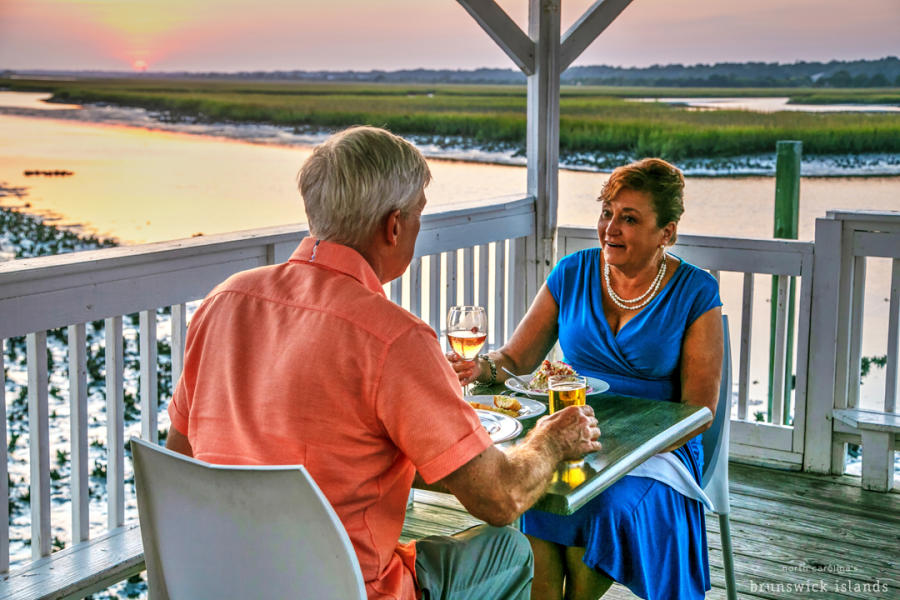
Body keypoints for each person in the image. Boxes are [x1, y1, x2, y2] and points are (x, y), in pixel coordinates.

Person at [165, 125, 601, 600]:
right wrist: (551, 440)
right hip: (343, 589)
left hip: (221, 581)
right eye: (418, 216)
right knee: (508, 550)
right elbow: (500, 497)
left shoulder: (223, 301)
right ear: (394, 227)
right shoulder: (394, 338)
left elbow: (179, 456)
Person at [451, 158, 723, 600]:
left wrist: (619, 447)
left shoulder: (696, 293)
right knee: (535, 492)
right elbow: (516, 358)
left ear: (667, 233)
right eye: (607, 213)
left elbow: (699, 412)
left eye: (629, 219)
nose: (610, 228)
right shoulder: (571, 272)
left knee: (598, 505)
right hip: (571, 435)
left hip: (656, 451)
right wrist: (481, 368)